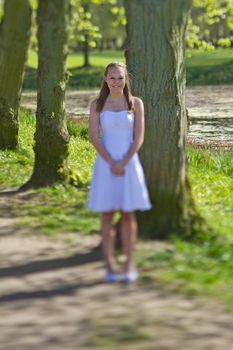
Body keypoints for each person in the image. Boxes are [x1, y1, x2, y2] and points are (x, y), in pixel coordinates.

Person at [88, 61, 151, 283]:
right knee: (106, 214)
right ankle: (109, 264)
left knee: (127, 214)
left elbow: (139, 137)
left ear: (126, 80)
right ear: (105, 79)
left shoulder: (136, 104)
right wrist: (111, 163)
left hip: (129, 164)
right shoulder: (97, 104)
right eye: (112, 77)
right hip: (106, 165)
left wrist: (123, 162)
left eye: (120, 77)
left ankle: (129, 263)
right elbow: (94, 137)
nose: (116, 82)